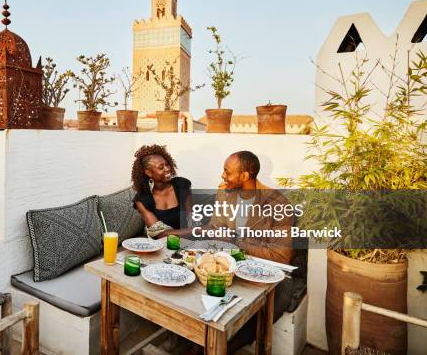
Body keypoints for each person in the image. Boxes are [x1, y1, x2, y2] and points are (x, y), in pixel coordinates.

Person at [210, 151, 306, 351]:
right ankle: (196, 341)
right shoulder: (224, 192)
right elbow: (216, 227)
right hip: (230, 260)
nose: (223, 176)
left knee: (281, 295)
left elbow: (280, 255)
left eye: (227, 172)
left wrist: (236, 241)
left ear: (244, 176)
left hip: (269, 269)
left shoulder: (277, 204)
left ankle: (229, 347)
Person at [131, 144, 193, 239]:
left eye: (167, 164)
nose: (167, 169)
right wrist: (198, 230)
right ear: (148, 172)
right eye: (161, 167)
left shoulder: (182, 185)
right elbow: (160, 234)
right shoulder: (142, 199)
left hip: (187, 241)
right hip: (161, 245)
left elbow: (192, 219)